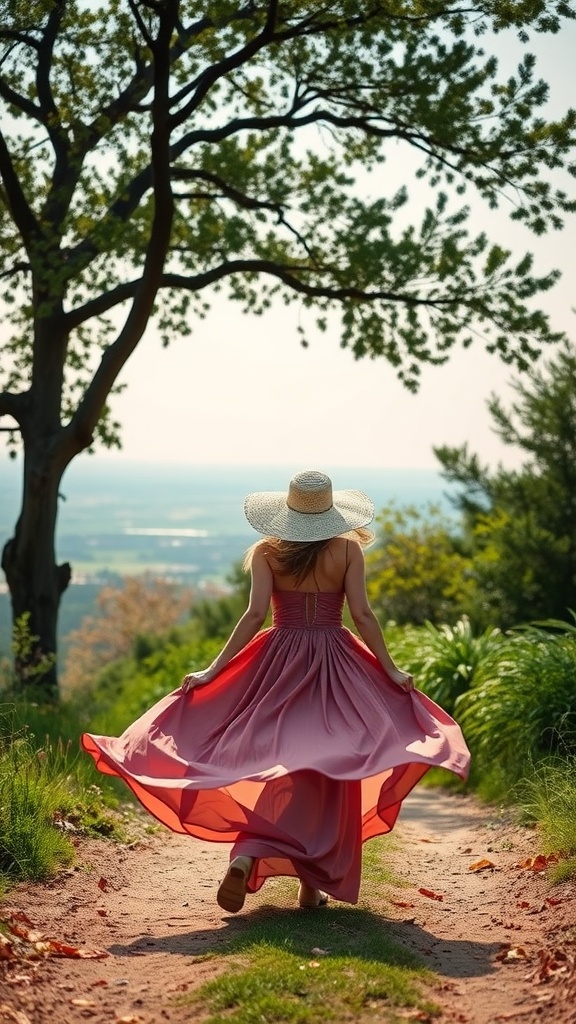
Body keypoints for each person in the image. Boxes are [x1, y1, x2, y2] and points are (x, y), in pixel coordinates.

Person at [82, 470, 470, 915]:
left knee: (276, 760)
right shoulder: (347, 551)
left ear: (288, 514)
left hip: (278, 664)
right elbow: (362, 614)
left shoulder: (266, 552)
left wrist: (213, 671)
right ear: (331, 513)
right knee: (329, 766)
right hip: (334, 667)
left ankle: (251, 854)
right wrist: (391, 668)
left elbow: (253, 617)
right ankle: (311, 884)